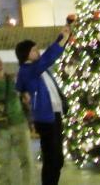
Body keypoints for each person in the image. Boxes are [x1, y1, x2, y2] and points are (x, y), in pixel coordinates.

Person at [15, 24, 71, 185]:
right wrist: (62, 38)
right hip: (45, 117)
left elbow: (20, 86)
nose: (37, 52)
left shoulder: (37, 69)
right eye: (34, 50)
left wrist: (62, 38)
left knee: (57, 158)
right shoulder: (28, 69)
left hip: (54, 113)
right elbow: (49, 57)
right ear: (26, 54)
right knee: (51, 157)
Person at [0, 51, 33, 185]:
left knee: (26, 160)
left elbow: (24, 95)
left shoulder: (12, 78)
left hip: (20, 123)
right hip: (1, 128)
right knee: (2, 163)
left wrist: (27, 98)